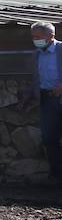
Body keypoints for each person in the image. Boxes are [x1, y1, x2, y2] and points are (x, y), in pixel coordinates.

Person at [32, 22, 62, 182]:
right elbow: (36, 78)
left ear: (51, 36)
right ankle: (56, 174)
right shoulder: (37, 54)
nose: (35, 40)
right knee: (49, 138)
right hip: (47, 100)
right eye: (33, 37)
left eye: (38, 37)